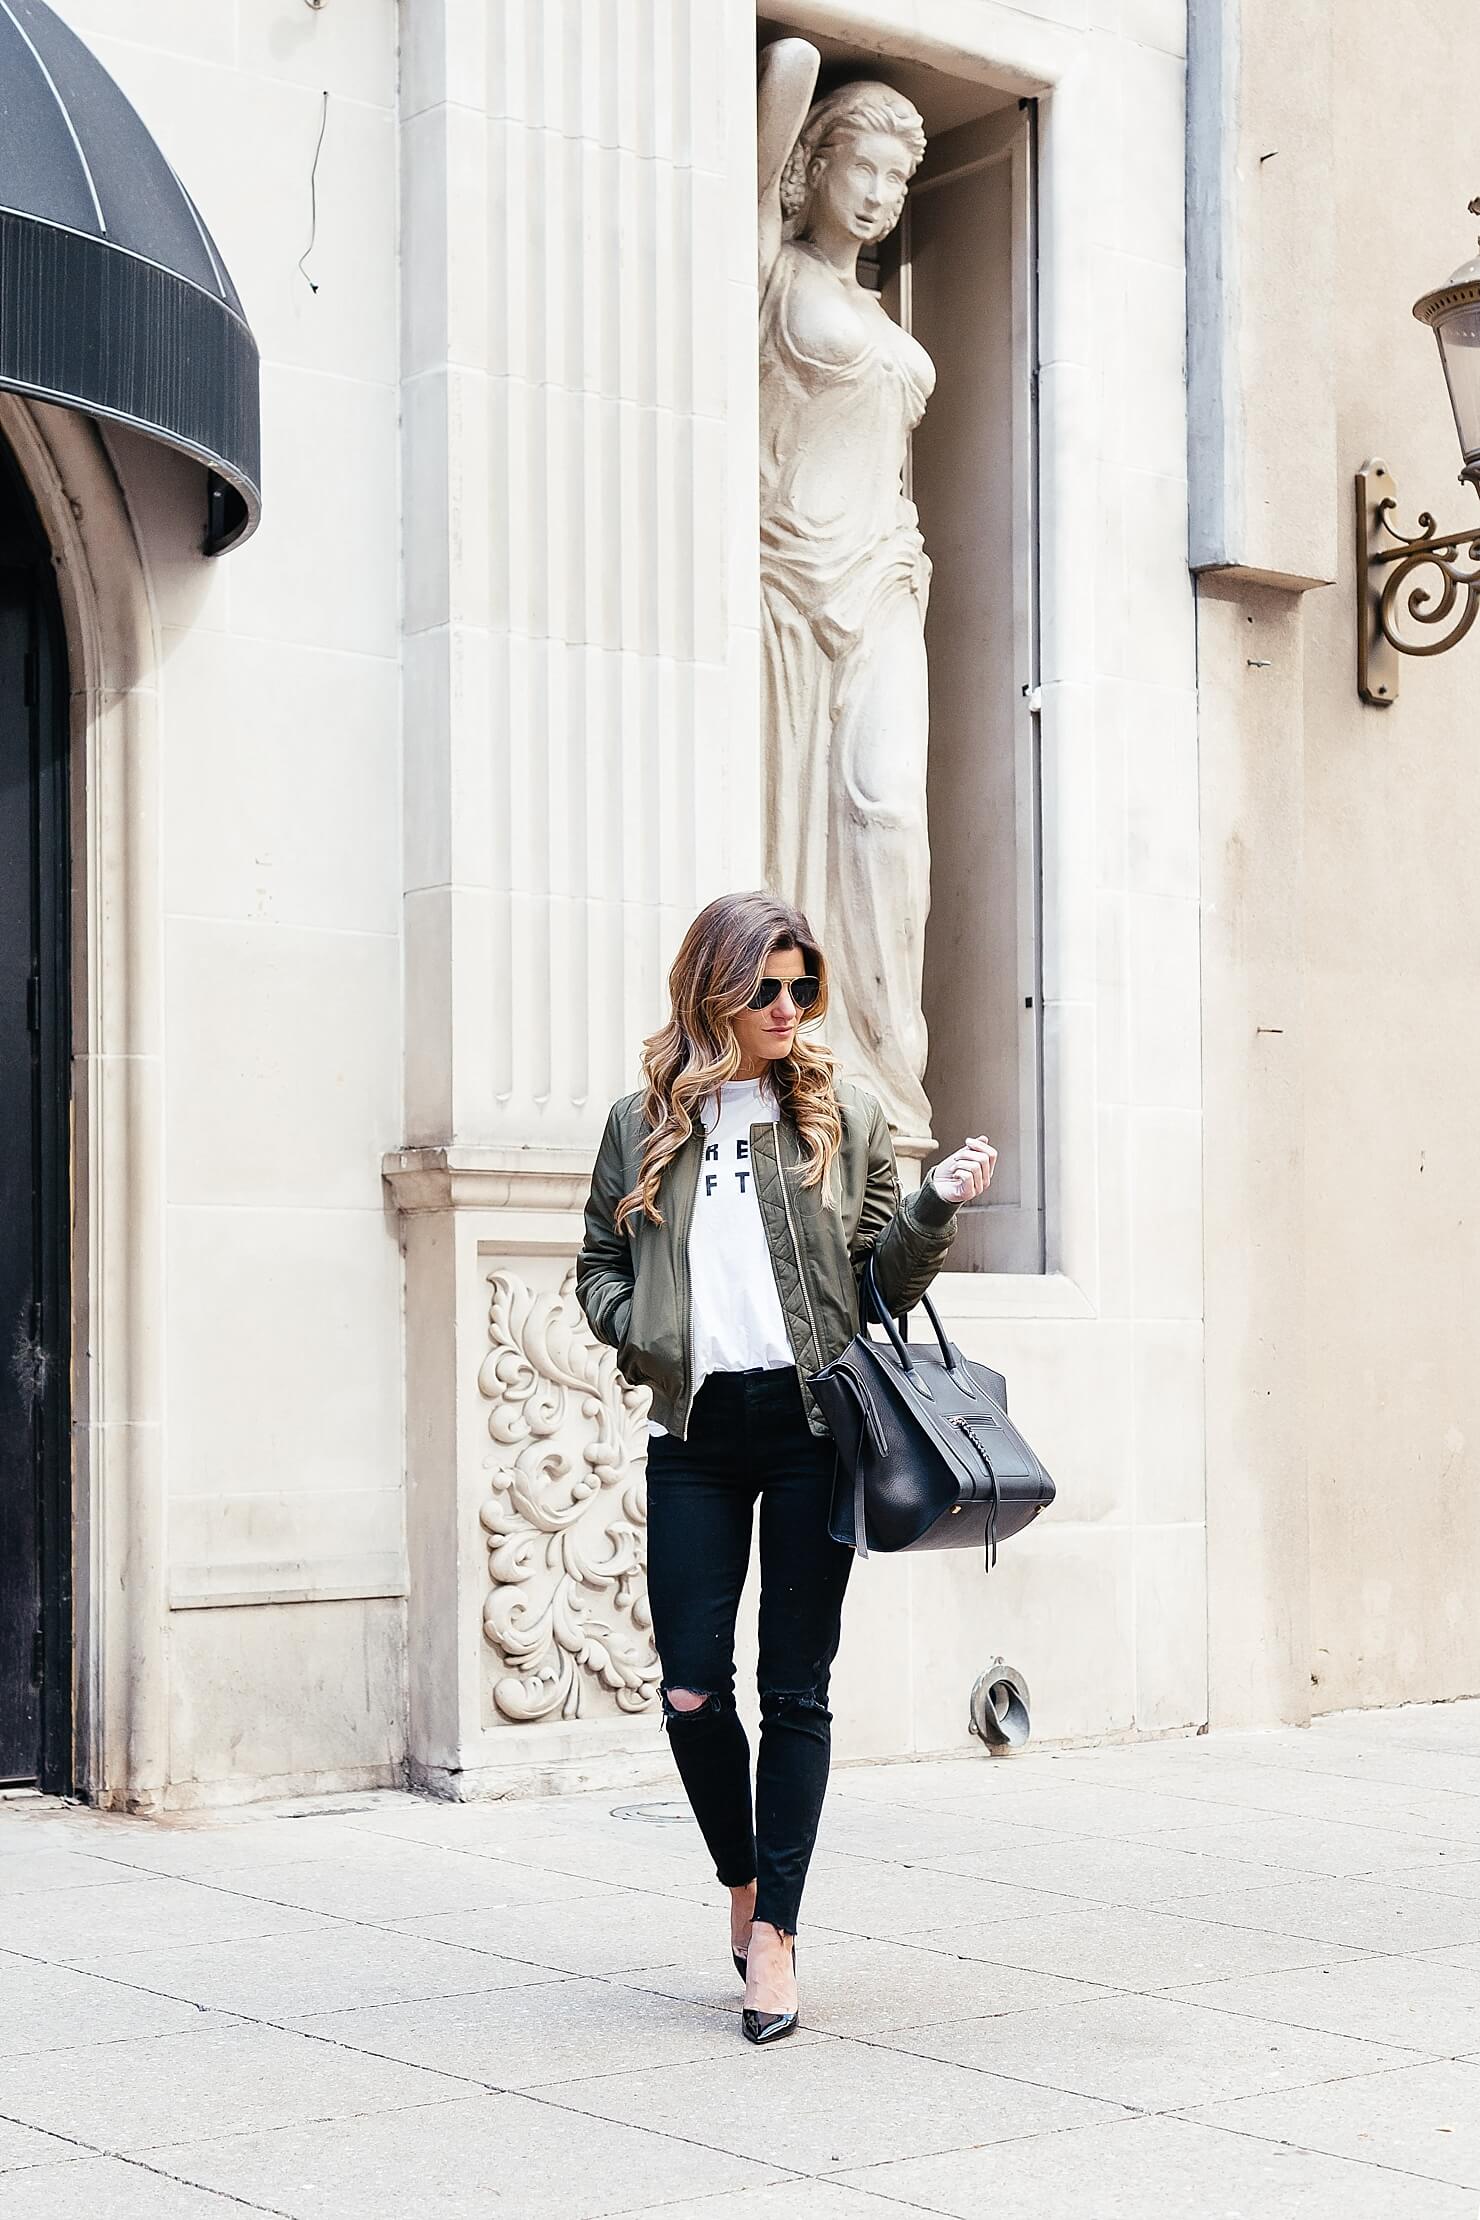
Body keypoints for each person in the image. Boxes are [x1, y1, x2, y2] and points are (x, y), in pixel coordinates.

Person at [576, 890, 995, 2044]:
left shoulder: (842, 1114)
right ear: (712, 989)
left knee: (793, 1689)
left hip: (815, 1430)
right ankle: (742, 1881)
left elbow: (876, 1287)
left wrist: (930, 1208)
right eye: (764, 987)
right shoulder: (640, 1122)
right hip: (696, 1437)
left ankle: (778, 1938)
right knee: (691, 1687)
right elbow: (596, 1260)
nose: (786, 1008)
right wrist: (640, 1329)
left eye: (800, 987)